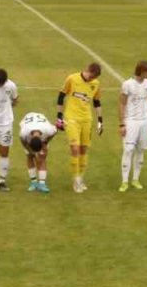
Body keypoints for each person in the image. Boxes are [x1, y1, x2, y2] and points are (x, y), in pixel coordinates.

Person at [58, 62, 104, 193]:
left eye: (94, 78)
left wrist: (100, 120)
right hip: (71, 118)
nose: (91, 79)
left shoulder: (96, 83)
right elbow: (61, 96)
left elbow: (97, 102)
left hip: (86, 120)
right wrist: (59, 116)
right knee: (75, 148)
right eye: (91, 76)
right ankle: (76, 180)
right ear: (87, 70)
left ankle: (81, 177)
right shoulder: (72, 79)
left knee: (84, 149)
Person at [118, 60, 147, 192]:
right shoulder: (127, 84)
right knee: (128, 150)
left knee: (141, 150)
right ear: (142, 71)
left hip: (144, 121)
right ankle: (124, 181)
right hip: (131, 121)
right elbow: (122, 103)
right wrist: (122, 124)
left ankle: (135, 179)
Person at [20, 111, 57, 193]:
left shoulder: (48, 130)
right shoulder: (24, 133)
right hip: (28, 119)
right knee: (29, 156)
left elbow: (55, 131)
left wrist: (46, 142)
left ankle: (42, 184)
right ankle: (33, 182)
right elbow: (22, 141)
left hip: (41, 123)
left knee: (42, 157)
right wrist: (29, 150)